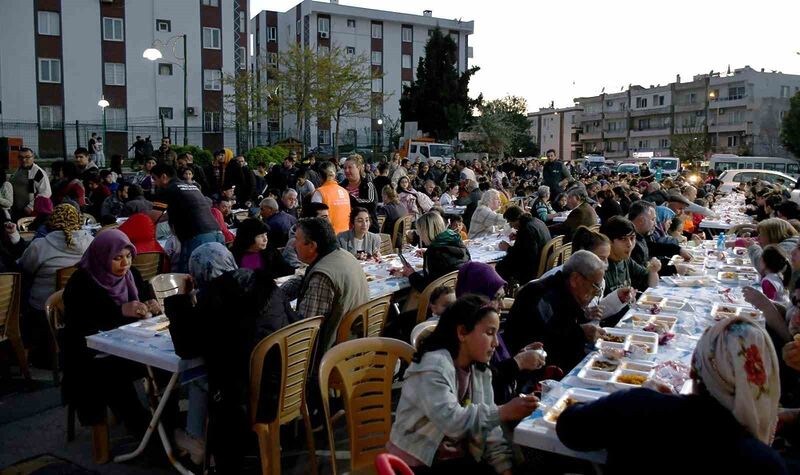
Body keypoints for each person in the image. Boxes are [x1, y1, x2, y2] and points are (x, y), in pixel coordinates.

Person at [557, 316, 787, 475]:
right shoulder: (765, 464)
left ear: (697, 367)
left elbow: (569, 427)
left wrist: (646, 398)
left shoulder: (638, 407)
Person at [164, 242, 298, 473]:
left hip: (245, 398)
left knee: (195, 373)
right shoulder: (267, 285)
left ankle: (197, 440)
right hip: (287, 381)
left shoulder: (216, 296)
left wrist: (181, 300)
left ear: (198, 273)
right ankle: (198, 439)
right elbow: (294, 321)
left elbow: (187, 347)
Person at [388, 295, 537, 474]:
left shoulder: (480, 370)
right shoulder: (432, 366)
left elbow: (490, 431)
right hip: (416, 463)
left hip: (455, 458)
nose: (496, 343)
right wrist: (503, 411)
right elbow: (452, 421)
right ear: (462, 332)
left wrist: (504, 468)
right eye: (489, 333)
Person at [61, 230, 159, 437]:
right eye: (117, 258)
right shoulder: (81, 283)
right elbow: (81, 325)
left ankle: (166, 422)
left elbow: (143, 300)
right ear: (102, 257)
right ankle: (145, 431)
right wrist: (120, 311)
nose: (125, 263)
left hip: (129, 345)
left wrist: (151, 305)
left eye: (128, 256)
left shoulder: (132, 276)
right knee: (112, 372)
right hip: (88, 354)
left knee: (164, 367)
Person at [504, 251, 607, 370]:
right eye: (595, 287)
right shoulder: (539, 296)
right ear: (575, 279)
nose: (596, 294)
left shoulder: (567, 292)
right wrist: (579, 332)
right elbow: (543, 342)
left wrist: (584, 317)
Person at [287, 217, 368, 352]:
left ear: (312, 246)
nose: (293, 245)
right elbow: (304, 278)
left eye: (297, 239)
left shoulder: (321, 277)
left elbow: (305, 329)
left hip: (333, 353)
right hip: (356, 340)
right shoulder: (344, 255)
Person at [18, 204, 93, 334]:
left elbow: (25, 268)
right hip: (83, 306)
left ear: (52, 221)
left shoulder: (40, 246)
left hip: (43, 309)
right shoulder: (93, 243)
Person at [150, 163, 223, 272]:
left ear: (164, 177)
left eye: (154, 178)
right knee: (213, 275)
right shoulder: (192, 186)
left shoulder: (168, 190)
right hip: (216, 233)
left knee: (189, 276)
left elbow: (155, 216)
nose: (154, 182)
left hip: (197, 237)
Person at [395, 212, 470, 292]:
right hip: (462, 291)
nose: (419, 236)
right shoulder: (458, 241)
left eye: (419, 232)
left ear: (425, 232)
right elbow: (448, 261)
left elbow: (427, 288)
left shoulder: (433, 253)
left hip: (442, 298)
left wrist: (411, 274)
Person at [495, 205, 551, 286]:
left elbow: (524, 255)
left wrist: (507, 248)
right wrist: (518, 236)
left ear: (517, 220)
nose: (511, 226)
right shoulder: (536, 221)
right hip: (542, 260)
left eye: (511, 222)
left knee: (500, 266)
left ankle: (503, 291)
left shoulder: (526, 229)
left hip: (532, 268)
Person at [340, 154, 380, 233]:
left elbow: (371, 204)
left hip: (367, 230)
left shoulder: (368, 185)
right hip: (345, 230)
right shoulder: (340, 187)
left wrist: (349, 197)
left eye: (350, 167)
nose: (346, 170)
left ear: (358, 168)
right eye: (345, 168)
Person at [283, 202, 329, 268]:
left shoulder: (326, 238)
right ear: (311, 219)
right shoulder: (294, 243)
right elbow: (296, 269)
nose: (328, 220)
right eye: (324, 217)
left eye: (328, 216)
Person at [311, 161, 351, 234]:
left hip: (328, 237)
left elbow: (314, 219)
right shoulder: (345, 192)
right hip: (346, 237)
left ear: (320, 175)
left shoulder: (319, 193)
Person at [10, 148, 51, 220]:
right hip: (16, 210)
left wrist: (30, 207)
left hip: (29, 213)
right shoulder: (18, 170)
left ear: (33, 157)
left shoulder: (38, 172)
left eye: (27, 157)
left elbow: (46, 192)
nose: (24, 160)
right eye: (21, 157)